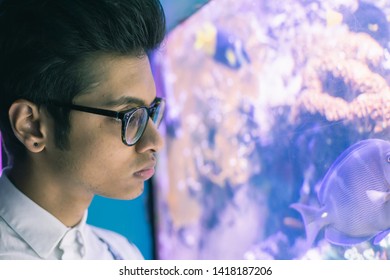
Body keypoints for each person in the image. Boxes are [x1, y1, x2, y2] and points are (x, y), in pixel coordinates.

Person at [0, 0, 166, 260]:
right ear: (31, 126)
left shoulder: (121, 253)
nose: (154, 140)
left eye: (151, 111)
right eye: (128, 116)